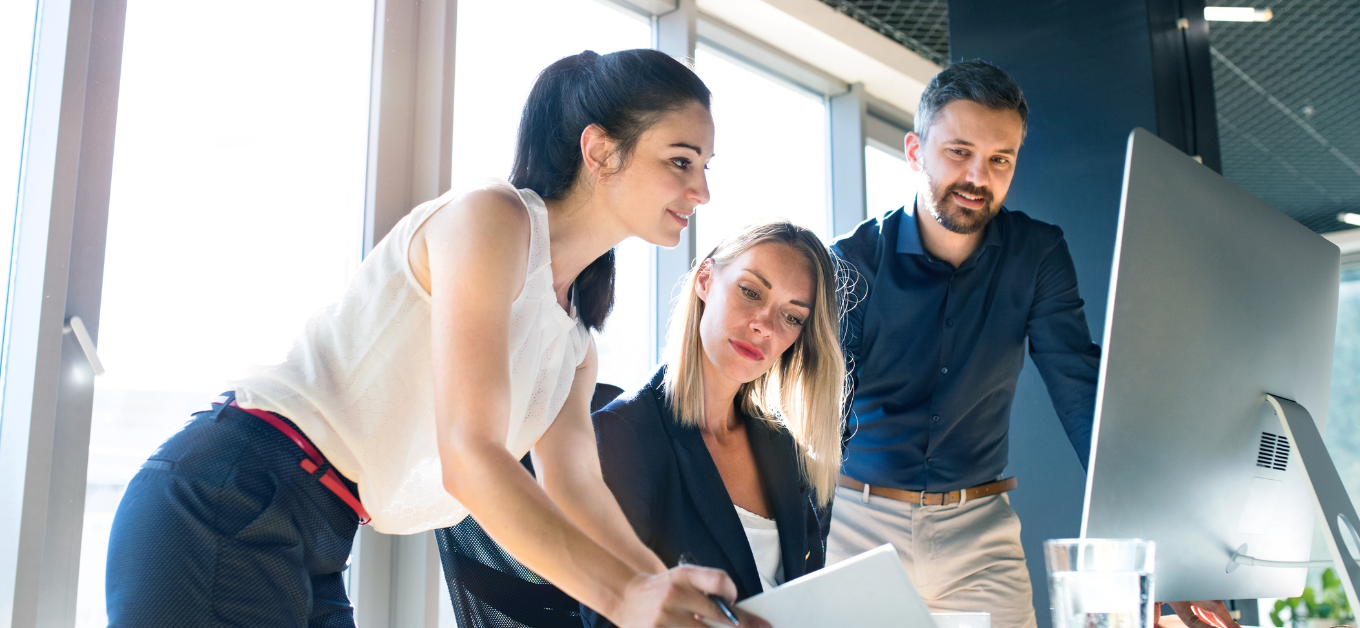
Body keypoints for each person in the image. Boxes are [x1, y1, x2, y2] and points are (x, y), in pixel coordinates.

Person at [104, 49, 765, 628]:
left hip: (322, 528)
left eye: (706, 166)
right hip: (232, 490)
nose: (701, 190)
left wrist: (670, 600)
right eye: (680, 161)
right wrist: (626, 600)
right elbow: (469, 454)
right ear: (599, 150)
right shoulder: (493, 220)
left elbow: (579, 492)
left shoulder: (573, 343)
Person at [826, 60, 1239, 628]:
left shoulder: (1038, 254)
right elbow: (819, 413)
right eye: (958, 152)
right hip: (855, 521)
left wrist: (1166, 546)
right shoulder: (851, 261)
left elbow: (1081, 393)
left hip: (979, 531)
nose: (978, 177)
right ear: (916, 150)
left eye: (1000, 160)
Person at [583, 220, 847, 627]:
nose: (765, 325)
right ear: (705, 280)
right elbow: (607, 616)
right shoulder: (624, 434)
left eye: (792, 317)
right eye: (750, 291)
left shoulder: (782, 446)